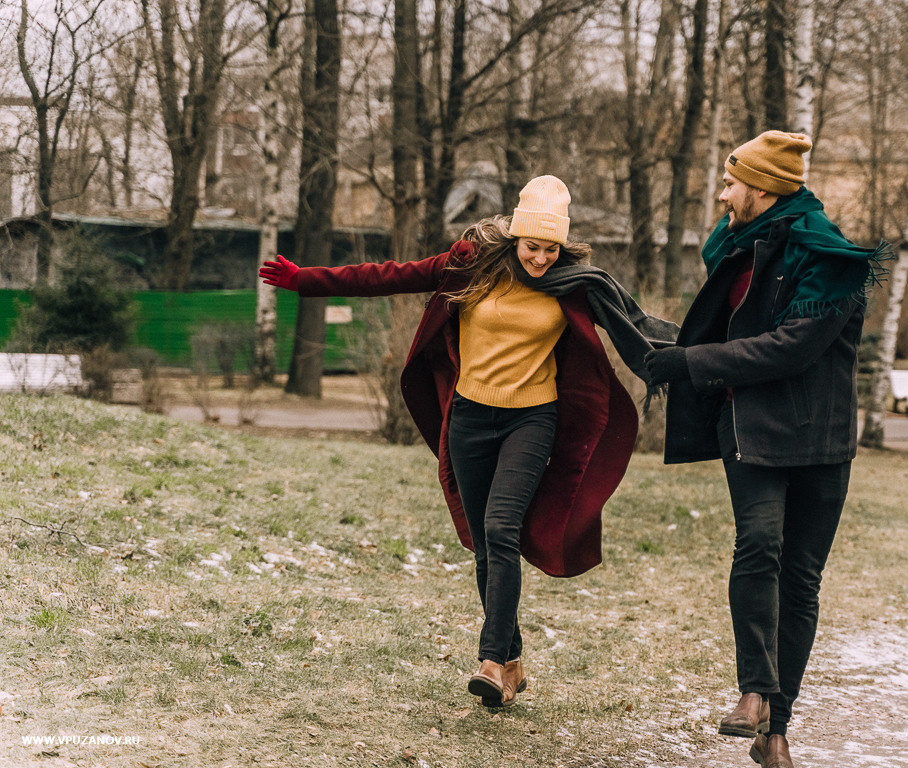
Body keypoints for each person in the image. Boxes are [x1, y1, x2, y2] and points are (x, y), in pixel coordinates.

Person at [260, 176, 677, 708]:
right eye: (533, 246)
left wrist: (704, 359)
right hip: (471, 418)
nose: (542, 259)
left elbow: (640, 326)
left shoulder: (575, 282)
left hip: (532, 418)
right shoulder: (471, 263)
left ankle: (488, 659)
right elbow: (390, 276)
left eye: (552, 249)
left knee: (502, 528)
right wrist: (307, 281)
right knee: (486, 542)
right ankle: (514, 660)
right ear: (515, 237)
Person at [642, 131, 889, 768]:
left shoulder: (827, 257)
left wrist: (690, 362)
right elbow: (730, 330)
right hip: (748, 423)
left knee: (801, 581)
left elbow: (791, 347)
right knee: (759, 543)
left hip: (820, 433)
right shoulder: (736, 248)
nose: (722, 194)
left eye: (731, 184)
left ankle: (776, 729)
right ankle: (754, 691)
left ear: (761, 189)